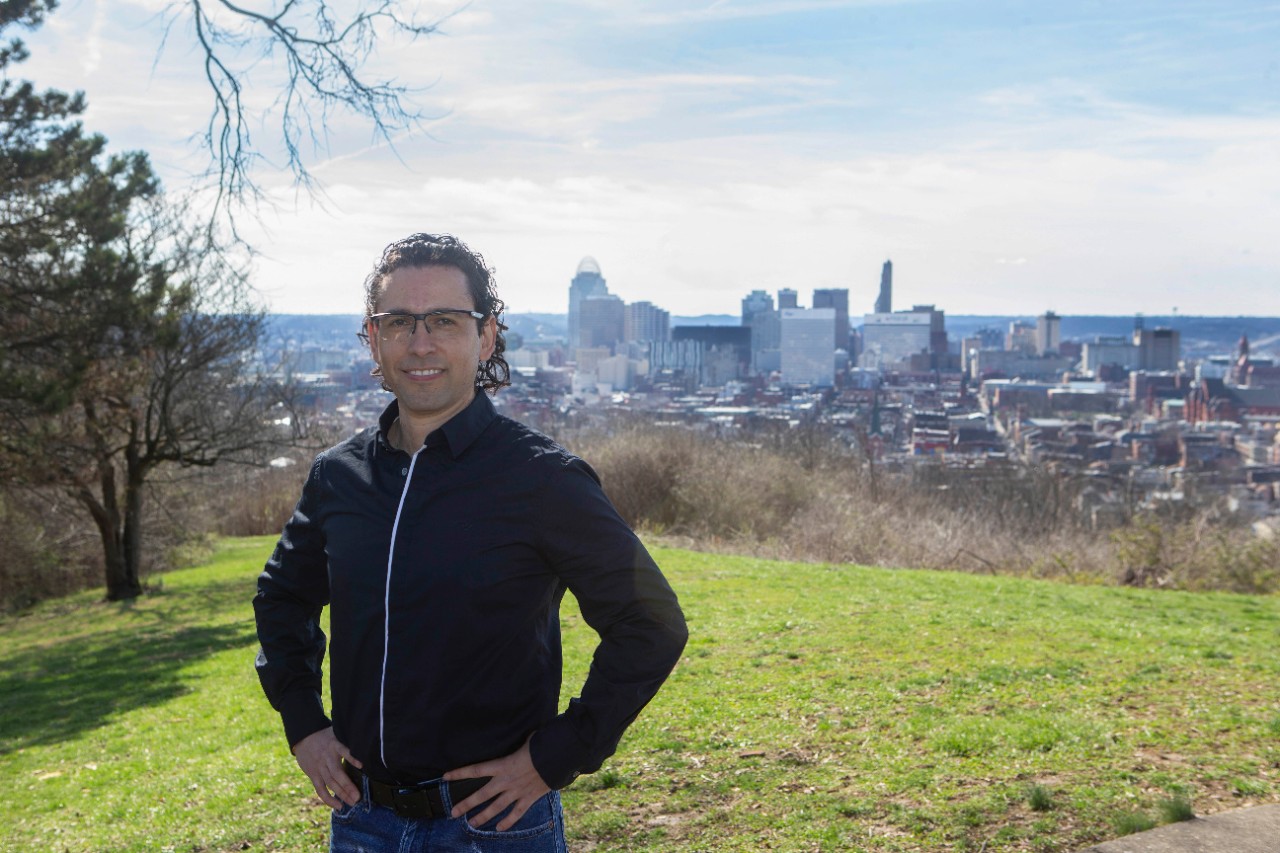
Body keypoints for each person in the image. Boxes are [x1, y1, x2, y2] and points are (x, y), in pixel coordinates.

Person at [253, 233, 688, 851]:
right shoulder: (338, 476)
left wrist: (557, 755)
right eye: (399, 321)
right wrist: (303, 724)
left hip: (497, 826)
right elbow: (281, 598)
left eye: (444, 321)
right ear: (372, 340)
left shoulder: (542, 479)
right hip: (363, 821)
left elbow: (651, 624)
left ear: (485, 338)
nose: (420, 342)